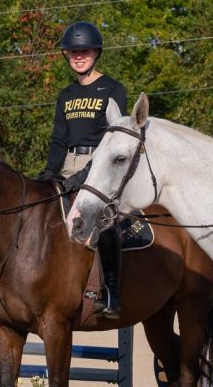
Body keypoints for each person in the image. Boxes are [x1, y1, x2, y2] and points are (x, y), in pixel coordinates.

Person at [41, 21, 128, 319]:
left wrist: (86, 174)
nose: (79, 56)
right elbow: (58, 139)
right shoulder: (65, 95)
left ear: (96, 53)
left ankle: (112, 292)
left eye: (85, 51)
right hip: (69, 164)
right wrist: (49, 172)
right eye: (74, 51)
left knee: (105, 220)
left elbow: (114, 140)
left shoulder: (114, 89)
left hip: (102, 168)